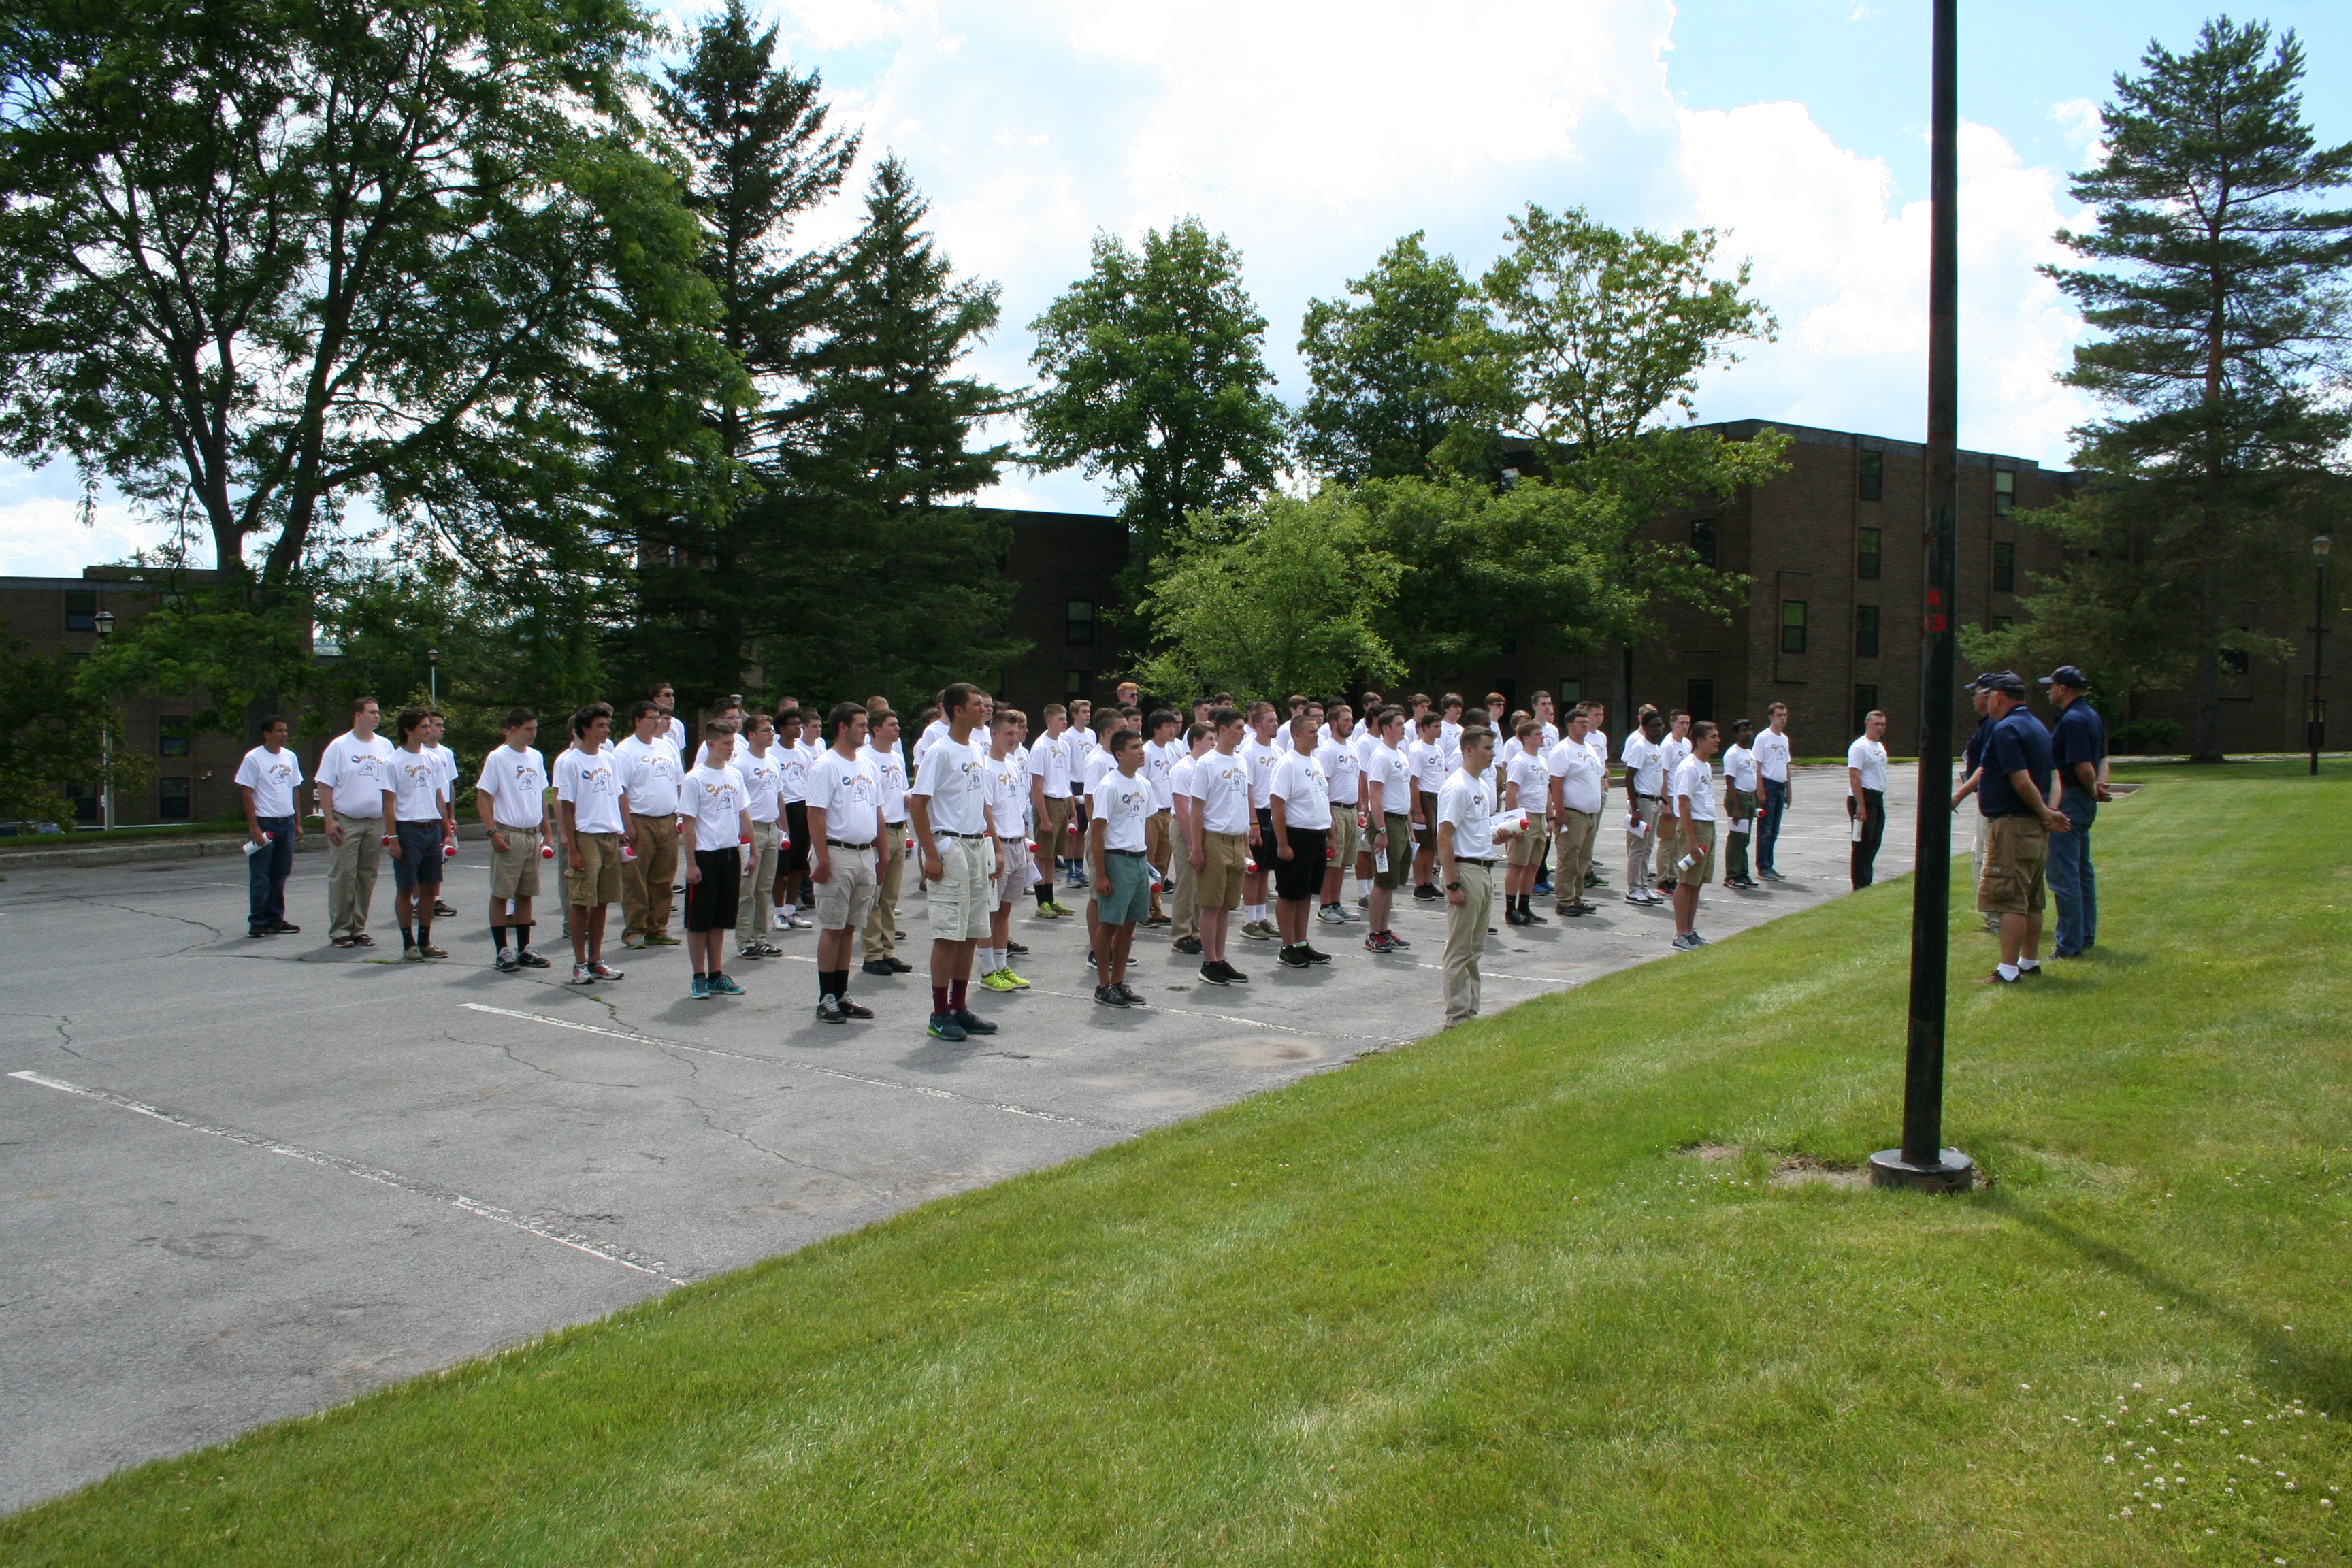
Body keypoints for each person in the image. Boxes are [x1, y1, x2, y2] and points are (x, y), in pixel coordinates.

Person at [907, 683, 1000, 1042]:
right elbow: (919, 803)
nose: (984, 709)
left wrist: (993, 847)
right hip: (952, 845)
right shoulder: (939, 751)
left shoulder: (976, 748)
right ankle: (939, 1013)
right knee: (948, 933)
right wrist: (932, 853)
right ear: (958, 710)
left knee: (972, 933)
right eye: (976, 704)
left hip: (976, 844)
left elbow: (980, 802)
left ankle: (959, 1007)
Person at [1972, 672, 2070, 983]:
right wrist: (2049, 813)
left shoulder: (2006, 729)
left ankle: (2008, 971)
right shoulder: (2037, 726)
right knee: (2031, 898)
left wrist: (2044, 812)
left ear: (1998, 697)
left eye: (1987, 695)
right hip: (2034, 826)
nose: (1984, 701)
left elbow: (2020, 779)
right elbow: (2054, 776)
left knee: (2010, 899)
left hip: (2013, 825)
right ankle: (2028, 962)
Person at [805, 702, 883, 1023]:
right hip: (837, 853)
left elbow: (877, 811)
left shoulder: (867, 765)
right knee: (833, 927)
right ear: (843, 727)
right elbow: (815, 814)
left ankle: (842, 993)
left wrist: (882, 855)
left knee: (850, 928)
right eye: (861, 725)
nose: (866, 731)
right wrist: (822, 859)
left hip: (865, 853)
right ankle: (826, 997)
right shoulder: (826, 765)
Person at [1437, 727, 1512, 1027]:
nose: (1493, 754)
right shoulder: (1457, 787)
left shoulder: (1480, 784)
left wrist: (1498, 835)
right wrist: (1452, 882)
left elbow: (1475, 830)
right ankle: (1456, 1015)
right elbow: (1444, 837)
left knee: (1475, 947)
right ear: (1469, 750)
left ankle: (1470, 1010)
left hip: (1483, 868)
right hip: (1465, 871)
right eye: (1487, 748)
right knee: (1460, 948)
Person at [553, 702, 632, 985]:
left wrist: (623, 832)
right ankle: (579, 963)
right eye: (600, 725)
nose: (606, 730)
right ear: (585, 729)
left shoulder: (609, 759)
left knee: (602, 902)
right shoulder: (571, 762)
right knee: (581, 901)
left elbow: (617, 796)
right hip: (586, 836)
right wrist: (573, 849)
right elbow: (567, 807)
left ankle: (596, 960)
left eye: (607, 725)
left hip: (609, 834)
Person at [475, 706, 552, 972]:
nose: (533, 734)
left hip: (532, 833)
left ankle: (524, 948)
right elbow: (484, 796)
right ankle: (502, 950)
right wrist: (492, 832)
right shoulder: (498, 758)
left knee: (526, 893)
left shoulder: (536, 757)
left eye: (535, 729)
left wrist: (547, 833)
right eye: (528, 729)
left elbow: (541, 796)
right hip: (509, 832)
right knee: (502, 893)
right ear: (513, 730)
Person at [679, 719, 751, 999]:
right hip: (705, 855)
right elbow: (688, 824)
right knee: (700, 921)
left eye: (733, 743)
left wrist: (753, 850)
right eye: (725, 743)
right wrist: (691, 864)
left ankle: (716, 974)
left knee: (720, 920)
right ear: (710, 744)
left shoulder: (734, 775)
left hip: (729, 853)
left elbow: (743, 813)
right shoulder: (695, 779)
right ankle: (698, 976)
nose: (731, 748)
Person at [2041, 665, 2108, 958]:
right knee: (2082, 872)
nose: (2048, 691)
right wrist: (2098, 788)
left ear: (2063, 689)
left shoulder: (2073, 720)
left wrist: (2092, 789)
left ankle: (2068, 945)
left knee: (2064, 874)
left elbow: (2083, 766)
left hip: (2070, 799)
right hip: (2083, 800)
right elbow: (2103, 759)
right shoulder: (2091, 715)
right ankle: (2084, 936)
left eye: (2051, 685)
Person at [316, 696, 393, 949]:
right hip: (346, 820)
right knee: (344, 875)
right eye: (371, 712)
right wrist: (329, 819)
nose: (377, 716)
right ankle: (340, 930)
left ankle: (359, 928)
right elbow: (324, 784)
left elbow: (392, 784)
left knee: (367, 876)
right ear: (358, 716)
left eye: (378, 712)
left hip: (376, 820)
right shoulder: (339, 746)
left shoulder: (385, 746)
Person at [1185, 707, 1254, 985]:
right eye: (1238, 727)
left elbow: (1242, 803)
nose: (1243, 732)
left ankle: (1220, 958)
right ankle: (1209, 962)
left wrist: (1246, 845)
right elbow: (1197, 808)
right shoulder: (1207, 763)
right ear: (1222, 730)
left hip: (1237, 838)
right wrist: (1197, 847)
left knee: (1227, 905)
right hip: (1214, 838)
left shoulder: (1242, 761)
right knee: (1211, 905)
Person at [1086, 730, 1156, 1004]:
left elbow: (1146, 824)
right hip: (1116, 858)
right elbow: (1097, 831)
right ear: (1119, 754)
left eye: (1141, 746)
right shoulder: (1109, 786)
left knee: (1129, 924)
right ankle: (1103, 984)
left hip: (1138, 859)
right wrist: (1101, 874)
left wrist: (1149, 864)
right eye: (1134, 747)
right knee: (1109, 924)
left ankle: (1119, 981)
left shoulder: (1144, 783)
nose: (1141, 751)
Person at [379, 706, 453, 960]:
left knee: (430, 887)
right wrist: (393, 839)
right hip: (407, 829)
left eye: (430, 725)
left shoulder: (433, 760)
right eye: (423, 726)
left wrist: (446, 829)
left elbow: (439, 797)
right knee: (406, 888)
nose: (429, 730)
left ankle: (425, 940)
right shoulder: (393, 762)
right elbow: (389, 804)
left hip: (431, 828)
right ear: (408, 730)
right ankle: (408, 942)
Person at [1265, 710, 1336, 969]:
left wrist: (1330, 834)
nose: (1317, 735)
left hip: (1316, 835)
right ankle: (1287, 947)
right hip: (1296, 835)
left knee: (1305, 893)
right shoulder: (1288, 763)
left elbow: (1321, 798)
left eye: (1317, 731)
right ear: (1297, 735)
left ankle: (1301, 942)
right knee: (1289, 893)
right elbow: (1277, 804)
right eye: (1312, 732)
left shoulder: (1315, 762)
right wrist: (1283, 844)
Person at [615, 700, 684, 949]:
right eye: (652, 718)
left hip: (667, 819)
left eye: (659, 717)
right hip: (640, 819)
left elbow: (679, 782)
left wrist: (680, 815)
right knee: (636, 879)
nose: (658, 722)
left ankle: (657, 928)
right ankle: (635, 930)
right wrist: (627, 826)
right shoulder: (625, 751)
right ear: (638, 721)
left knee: (663, 879)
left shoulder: (667, 746)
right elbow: (620, 791)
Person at [229, 717, 304, 938]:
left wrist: (298, 822)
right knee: (261, 875)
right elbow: (247, 792)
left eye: (285, 730)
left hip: (286, 822)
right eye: (279, 731)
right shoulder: (254, 758)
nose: (284, 734)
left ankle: (275, 918)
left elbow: (295, 790)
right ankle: (258, 921)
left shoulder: (290, 757)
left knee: (280, 874)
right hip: (265, 822)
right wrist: (254, 826)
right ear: (267, 734)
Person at [978, 708, 1034, 992]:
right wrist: (997, 850)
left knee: (1005, 910)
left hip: (1016, 844)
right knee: (990, 911)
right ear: (994, 734)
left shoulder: (1012, 765)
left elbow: (1019, 806)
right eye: (1008, 734)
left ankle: (1002, 965)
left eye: (1016, 733)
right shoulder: (986, 768)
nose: (1013, 738)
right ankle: (988, 970)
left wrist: (1024, 840)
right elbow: (986, 810)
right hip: (998, 844)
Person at [860, 708, 915, 977]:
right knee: (874, 896)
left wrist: (909, 800)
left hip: (898, 828)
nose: (897, 729)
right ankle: (873, 954)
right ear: (876, 730)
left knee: (890, 897)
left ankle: (888, 950)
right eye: (891, 725)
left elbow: (900, 792)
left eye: (897, 724)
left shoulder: (896, 757)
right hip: (878, 833)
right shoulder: (865, 759)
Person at [1360, 705, 1414, 953]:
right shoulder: (1381, 756)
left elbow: (1403, 793)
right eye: (1399, 724)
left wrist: (1409, 826)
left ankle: (1384, 930)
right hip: (1387, 822)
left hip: (1400, 821)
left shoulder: (1400, 754)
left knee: (1391, 881)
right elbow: (1375, 795)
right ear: (1386, 728)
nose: (1404, 728)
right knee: (1382, 881)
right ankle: (1373, 934)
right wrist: (1381, 831)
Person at [733, 713, 785, 962]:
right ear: (752, 735)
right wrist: (744, 837)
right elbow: (738, 805)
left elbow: (779, 797)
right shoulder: (740, 764)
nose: (771, 734)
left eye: (772, 729)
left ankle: (761, 938)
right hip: (751, 828)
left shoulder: (773, 761)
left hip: (771, 827)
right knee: (748, 889)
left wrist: (784, 829)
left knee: (765, 887)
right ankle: (744, 940)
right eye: (766, 730)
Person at [1546, 703, 1606, 917]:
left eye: (1586, 723)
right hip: (1572, 813)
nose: (1585, 726)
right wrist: (1560, 814)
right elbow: (1556, 783)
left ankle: (1577, 898)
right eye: (1581, 723)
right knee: (1568, 860)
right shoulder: (1563, 750)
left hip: (1590, 815)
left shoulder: (1589, 748)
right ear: (1570, 725)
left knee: (1583, 861)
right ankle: (1564, 901)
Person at [1953, 677, 2002, 935]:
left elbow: (1985, 767)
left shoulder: (1995, 725)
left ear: (1988, 695)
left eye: (1975, 693)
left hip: (1992, 801)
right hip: (1987, 799)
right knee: (1979, 854)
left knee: (1986, 857)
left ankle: (1995, 918)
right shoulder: (1989, 724)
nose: (1972, 699)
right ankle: (1992, 916)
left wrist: (1958, 796)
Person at [1669, 721, 1722, 950]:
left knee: (1697, 882)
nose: (1718, 740)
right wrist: (1691, 840)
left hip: (1707, 825)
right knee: (1687, 881)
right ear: (1700, 741)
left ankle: (1690, 932)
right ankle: (1680, 934)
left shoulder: (1705, 766)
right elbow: (1683, 803)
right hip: (1695, 827)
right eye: (1713, 737)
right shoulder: (1689, 767)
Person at [1166, 720, 1213, 956]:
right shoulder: (1183, 769)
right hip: (1185, 828)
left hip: (1204, 828)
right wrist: (1193, 843)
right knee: (1186, 884)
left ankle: (1195, 931)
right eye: (1210, 740)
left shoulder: (1207, 766)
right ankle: (1181, 934)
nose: (1214, 744)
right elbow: (1182, 808)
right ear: (1196, 741)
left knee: (1199, 884)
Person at [1026, 703, 1079, 912]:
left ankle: (1051, 898)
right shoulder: (1041, 746)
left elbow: (1066, 781)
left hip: (1062, 801)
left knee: (1053, 855)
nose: (1065, 722)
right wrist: (1044, 818)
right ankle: (1042, 902)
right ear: (1049, 721)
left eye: (1065, 718)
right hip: (1048, 802)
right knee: (1043, 855)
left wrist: (1073, 813)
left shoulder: (1064, 744)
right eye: (1060, 719)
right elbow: (1037, 786)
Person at [1236, 702, 1282, 939]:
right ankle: (1248, 921)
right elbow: (1248, 790)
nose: (1275, 724)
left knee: (1266, 869)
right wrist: (1254, 823)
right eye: (1270, 721)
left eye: (1276, 720)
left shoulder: (1278, 750)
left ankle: (1262, 918)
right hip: (1257, 814)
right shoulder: (1249, 751)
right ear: (1257, 725)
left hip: (1273, 813)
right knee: (1253, 870)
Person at [1313, 703, 1362, 925]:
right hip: (1335, 809)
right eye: (1346, 721)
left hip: (1351, 810)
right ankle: (1325, 906)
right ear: (1334, 723)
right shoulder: (1327, 750)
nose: (1350, 724)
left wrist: (1360, 809)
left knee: (1344, 861)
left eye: (1351, 720)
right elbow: (1323, 786)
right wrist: (1328, 817)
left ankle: (1336, 902)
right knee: (1332, 860)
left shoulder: (1353, 748)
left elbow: (1357, 780)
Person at [1500, 719, 1550, 926]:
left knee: (1533, 865)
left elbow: (1546, 790)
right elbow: (1511, 793)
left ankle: (1524, 906)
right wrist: (1516, 824)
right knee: (1517, 865)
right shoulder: (1520, 761)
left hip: (1540, 816)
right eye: (1538, 734)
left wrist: (1551, 817)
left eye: (1542, 733)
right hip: (1525, 815)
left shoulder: (1542, 761)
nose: (1542, 737)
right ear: (1526, 738)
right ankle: (1510, 910)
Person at [772, 707, 815, 930]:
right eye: (793, 724)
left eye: (800, 723)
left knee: (799, 864)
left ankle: (791, 910)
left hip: (802, 807)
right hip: (783, 809)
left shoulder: (803, 753)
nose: (799, 728)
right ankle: (779, 912)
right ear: (781, 728)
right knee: (782, 866)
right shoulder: (772, 753)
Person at [1620, 708, 1668, 905]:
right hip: (1643, 802)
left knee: (1648, 847)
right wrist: (1635, 809)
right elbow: (1629, 777)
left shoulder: (1655, 747)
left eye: (1661, 725)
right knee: (1638, 847)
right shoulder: (1640, 747)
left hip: (1655, 801)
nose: (1660, 729)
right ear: (1645, 728)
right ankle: (1633, 890)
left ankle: (1643, 886)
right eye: (1655, 726)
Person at [1141, 709, 1181, 927]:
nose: (1172, 730)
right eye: (1168, 726)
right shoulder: (1147, 751)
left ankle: (1157, 908)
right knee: (1150, 861)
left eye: (1173, 726)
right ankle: (1143, 910)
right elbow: (1142, 783)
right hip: (1152, 813)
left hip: (1168, 812)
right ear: (1156, 729)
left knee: (1163, 864)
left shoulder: (1172, 751)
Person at [1846, 708, 1891, 888]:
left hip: (1877, 797)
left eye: (1883, 725)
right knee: (1862, 843)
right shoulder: (1860, 746)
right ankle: (1860, 884)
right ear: (1867, 724)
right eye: (1876, 724)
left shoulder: (1880, 747)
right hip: (1864, 797)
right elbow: (1854, 775)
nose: (1880, 728)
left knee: (1874, 841)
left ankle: (1867, 879)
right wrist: (1861, 805)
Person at [1407, 709, 1448, 900]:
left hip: (1438, 797)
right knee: (1422, 844)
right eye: (1436, 726)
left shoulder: (1438, 749)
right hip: (1425, 797)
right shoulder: (1418, 750)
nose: (1439, 730)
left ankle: (1428, 882)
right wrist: (1418, 811)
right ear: (1424, 728)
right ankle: (1419, 884)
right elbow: (1413, 782)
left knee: (1432, 843)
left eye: (1440, 726)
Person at [1753, 702, 1793, 880]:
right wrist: (1760, 790)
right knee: (1766, 829)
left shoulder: (1784, 739)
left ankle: (1770, 864)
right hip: (1768, 785)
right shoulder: (1763, 738)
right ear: (1771, 717)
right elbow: (1757, 765)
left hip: (1780, 786)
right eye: (1779, 715)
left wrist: (1789, 789)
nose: (1783, 719)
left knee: (1775, 829)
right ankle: (1763, 867)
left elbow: (1786, 764)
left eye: (1785, 715)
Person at [1654, 710, 1693, 894]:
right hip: (1670, 797)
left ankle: (1673, 876)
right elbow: (1663, 774)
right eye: (1681, 723)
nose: (1685, 726)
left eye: (1687, 723)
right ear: (1673, 724)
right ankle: (1662, 879)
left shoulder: (1687, 744)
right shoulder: (1668, 746)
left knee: (1678, 843)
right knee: (1667, 842)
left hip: (1681, 800)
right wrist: (1665, 802)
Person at [1720, 719, 1760, 891]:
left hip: (1750, 798)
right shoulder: (1733, 754)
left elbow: (1752, 777)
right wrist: (1736, 807)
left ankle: (1743, 873)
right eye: (1744, 730)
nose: (1748, 733)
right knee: (1736, 838)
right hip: (1738, 798)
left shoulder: (1750, 753)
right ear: (1737, 734)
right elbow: (1730, 782)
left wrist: (1756, 800)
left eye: (1750, 730)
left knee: (1745, 838)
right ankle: (1732, 875)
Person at [650, 682, 691, 753]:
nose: (672, 698)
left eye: (673, 695)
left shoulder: (678, 724)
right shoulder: (649, 722)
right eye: (667, 695)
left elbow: (680, 751)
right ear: (656, 699)